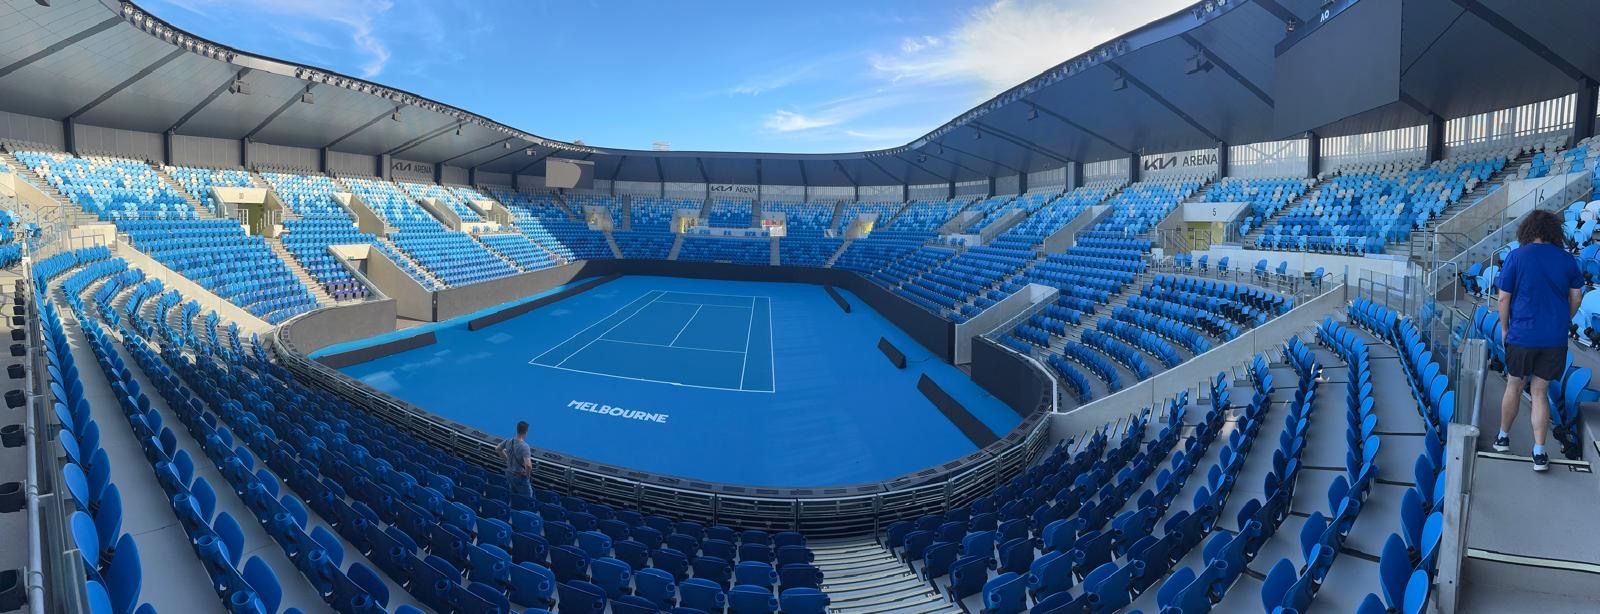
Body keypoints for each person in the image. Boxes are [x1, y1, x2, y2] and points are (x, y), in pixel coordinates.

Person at [1494, 209, 1582, 472]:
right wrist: (1564, 318)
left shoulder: (1516, 256)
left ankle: (1502, 438)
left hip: (1522, 335)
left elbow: (1503, 298)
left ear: (1528, 230)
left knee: (1513, 386)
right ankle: (1540, 452)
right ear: (1554, 232)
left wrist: (1504, 327)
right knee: (1540, 392)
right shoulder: (1567, 259)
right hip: (1553, 339)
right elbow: (1576, 295)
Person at [496, 420, 533, 497]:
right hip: (519, 476)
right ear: (526, 431)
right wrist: (527, 475)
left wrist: (507, 459)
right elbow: (528, 466)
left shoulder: (508, 441)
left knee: (513, 494)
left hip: (509, 473)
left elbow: (498, 449)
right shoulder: (525, 447)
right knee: (528, 497)